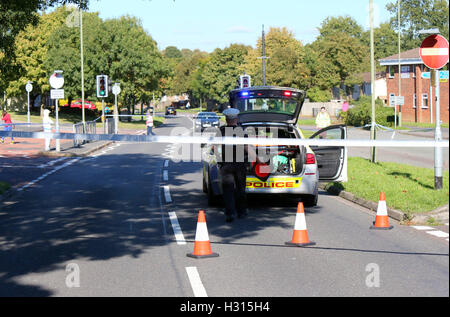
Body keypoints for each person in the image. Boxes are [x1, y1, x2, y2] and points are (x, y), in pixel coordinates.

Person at [215, 108, 259, 223]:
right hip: (240, 165)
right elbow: (246, 147)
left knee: (228, 190)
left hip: (226, 165)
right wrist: (258, 160)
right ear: (236, 118)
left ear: (226, 119)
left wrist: (219, 158)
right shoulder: (241, 131)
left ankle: (230, 213)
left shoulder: (221, 130)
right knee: (240, 188)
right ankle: (242, 212)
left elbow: (215, 147)